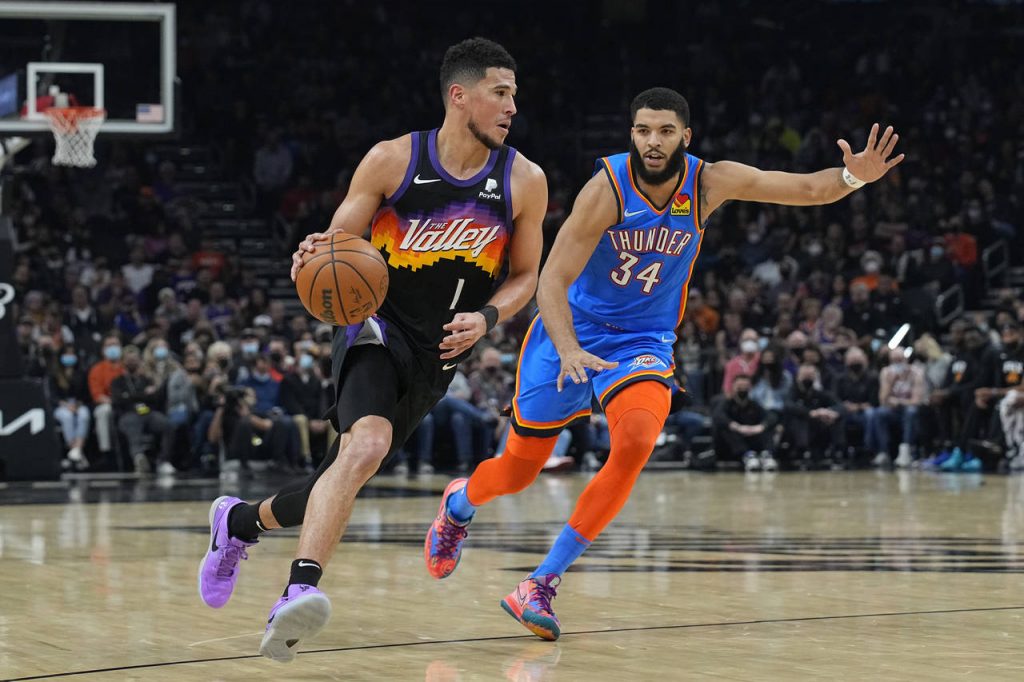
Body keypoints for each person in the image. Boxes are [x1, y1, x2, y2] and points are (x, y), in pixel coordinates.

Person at [424, 87, 903, 640]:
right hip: (570, 331)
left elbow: (809, 189)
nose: (653, 141)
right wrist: (570, 347)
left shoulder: (709, 181)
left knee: (635, 443)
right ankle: (459, 504)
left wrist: (853, 177)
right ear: (632, 134)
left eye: (666, 131)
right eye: (644, 130)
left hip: (642, 341)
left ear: (685, 137)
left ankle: (541, 583)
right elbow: (551, 279)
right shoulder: (607, 189)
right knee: (517, 471)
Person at [196, 37, 546, 663]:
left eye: (514, 95)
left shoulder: (524, 179)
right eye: (500, 93)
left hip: (440, 352)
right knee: (367, 445)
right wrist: (313, 251)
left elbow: (526, 275)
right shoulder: (393, 160)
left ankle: (239, 522)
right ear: (459, 96)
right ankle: (298, 592)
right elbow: (336, 242)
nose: (512, 107)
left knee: (342, 474)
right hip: (375, 326)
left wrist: (489, 316)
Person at [713, 374, 776, 471]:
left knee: (768, 426)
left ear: (750, 388)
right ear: (733, 387)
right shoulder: (726, 403)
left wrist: (760, 427)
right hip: (733, 445)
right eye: (740, 387)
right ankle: (747, 456)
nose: (742, 389)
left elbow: (771, 417)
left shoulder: (754, 404)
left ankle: (767, 456)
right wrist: (737, 427)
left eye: (745, 387)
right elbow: (718, 416)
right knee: (724, 428)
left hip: (752, 436)